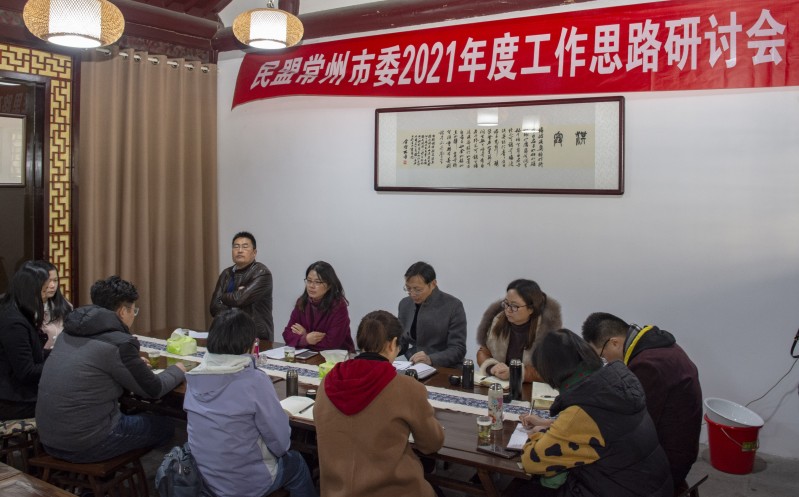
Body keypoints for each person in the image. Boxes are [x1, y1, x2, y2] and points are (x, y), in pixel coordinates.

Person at [36, 276, 186, 463]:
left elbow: (95, 366)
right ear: (123, 311)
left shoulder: (69, 331)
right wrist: (178, 369)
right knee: (167, 425)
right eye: (134, 310)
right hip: (87, 443)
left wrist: (131, 365)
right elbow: (154, 389)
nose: (133, 315)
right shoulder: (120, 342)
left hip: (48, 438)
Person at [517, 329, 673, 497]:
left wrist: (537, 433)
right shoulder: (616, 382)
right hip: (651, 486)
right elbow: (605, 428)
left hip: (616, 489)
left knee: (523, 489)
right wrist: (548, 424)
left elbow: (531, 461)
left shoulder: (581, 412)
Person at [184, 309, 316, 497]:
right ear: (248, 344)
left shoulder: (194, 376)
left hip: (204, 477)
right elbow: (281, 444)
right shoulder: (254, 380)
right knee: (297, 462)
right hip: (245, 483)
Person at [315, 310, 445, 497]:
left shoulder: (327, 382)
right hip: (394, 490)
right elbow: (431, 444)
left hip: (336, 490)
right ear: (392, 344)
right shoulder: (406, 387)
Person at [581, 312, 702, 495]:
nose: (606, 361)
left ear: (614, 343)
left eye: (603, 356)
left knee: (582, 467)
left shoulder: (647, 366)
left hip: (666, 465)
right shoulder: (658, 345)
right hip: (678, 450)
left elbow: (631, 426)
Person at [476, 279, 561, 382]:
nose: (508, 310)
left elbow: (550, 369)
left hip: (530, 388)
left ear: (531, 309)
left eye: (514, 306)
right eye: (506, 303)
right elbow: (484, 352)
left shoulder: (546, 331)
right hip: (501, 385)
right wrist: (492, 367)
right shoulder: (497, 321)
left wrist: (516, 373)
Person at [0, 262, 49, 420]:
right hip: (13, 400)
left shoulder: (16, 312)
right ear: (30, 291)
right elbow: (26, 371)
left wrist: (59, 354)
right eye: (43, 290)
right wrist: (58, 364)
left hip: (18, 394)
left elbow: (32, 352)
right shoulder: (13, 323)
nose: (45, 296)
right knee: (70, 403)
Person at [397, 261, 466, 367]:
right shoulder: (405, 304)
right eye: (408, 288)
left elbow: (458, 349)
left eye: (418, 289)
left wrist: (430, 359)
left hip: (445, 368)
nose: (412, 294)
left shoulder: (453, 306)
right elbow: (402, 342)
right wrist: (384, 351)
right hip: (415, 365)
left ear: (433, 284)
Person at [210, 231, 274, 340]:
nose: (239, 250)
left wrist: (223, 297)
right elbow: (214, 307)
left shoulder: (261, 272)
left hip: (254, 335)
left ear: (254, 252)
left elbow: (239, 299)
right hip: (227, 334)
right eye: (236, 247)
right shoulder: (226, 274)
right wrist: (237, 295)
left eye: (245, 247)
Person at [282, 261, 354, 352]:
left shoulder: (338, 306)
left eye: (317, 282)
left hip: (336, 357)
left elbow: (332, 343)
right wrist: (306, 339)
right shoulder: (302, 302)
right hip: (308, 354)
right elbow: (287, 334)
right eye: (309, 281)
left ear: (329, 285)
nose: (311, 286)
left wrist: (305, 337)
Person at [32, 260, 72, 349]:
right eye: (48, 281)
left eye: (55, 280)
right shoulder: (28, 309)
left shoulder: (65, 305)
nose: (53, 285)